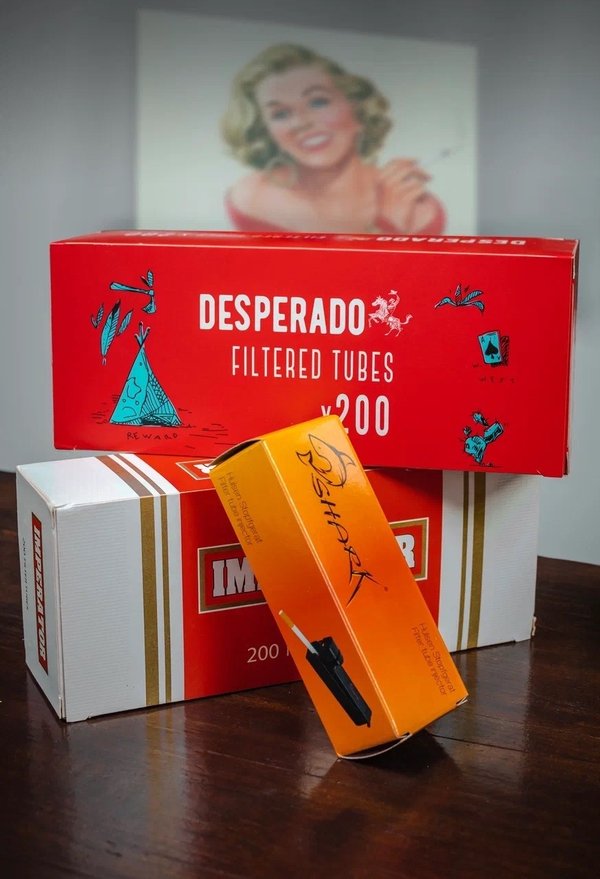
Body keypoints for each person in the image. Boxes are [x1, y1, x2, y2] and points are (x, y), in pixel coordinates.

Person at [221, 43, 446, 235]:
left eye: (318, 102)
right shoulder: (252, 200)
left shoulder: (419, 211)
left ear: (358, 109)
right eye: (280, 114)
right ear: (266, 132)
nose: (302, 122)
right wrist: (386, 225)